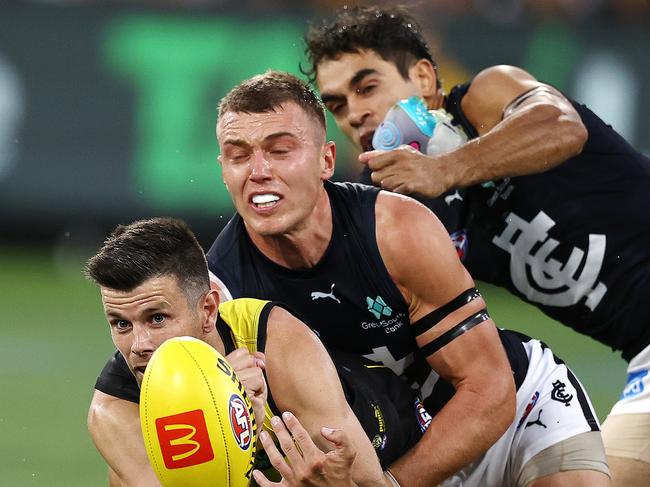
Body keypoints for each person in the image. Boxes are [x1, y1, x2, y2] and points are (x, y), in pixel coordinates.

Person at [205, 70, 608, 486]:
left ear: (326, 161)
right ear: (222, 170)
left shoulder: (395, 229)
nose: (258, 171)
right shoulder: (222, 297)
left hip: (513, 417)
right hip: (385, 456)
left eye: (280, 151)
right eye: (238, 155)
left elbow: (489, 389)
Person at [303, 6, 650, 486]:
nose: (356, 112)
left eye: (368, 87)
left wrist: (444, 169)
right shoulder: (392, 204)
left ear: (424, 78)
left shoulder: (484, 99)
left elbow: (561, 125)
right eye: (338, 105)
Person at [85, 217, 427, 487]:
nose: (139, 344)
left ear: (207, 311)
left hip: (402, 448)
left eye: (157, 318)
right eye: (121, 324)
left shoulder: (272, 338)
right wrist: (243, 431)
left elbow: (369, 481)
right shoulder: (115, 412)